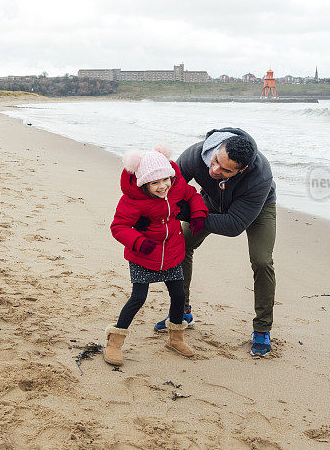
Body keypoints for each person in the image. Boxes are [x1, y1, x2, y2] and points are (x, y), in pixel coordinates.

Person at [152, 129, 277, 358]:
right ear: (216, 149)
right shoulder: (196, 154)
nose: (215, 170)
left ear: (242, 170)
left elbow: (234, 225)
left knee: (261, 260)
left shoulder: (260, 176)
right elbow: (170, 189)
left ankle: (262, 329)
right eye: (216, 161)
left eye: (226, 170)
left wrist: (186, 214)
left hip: (256, 209)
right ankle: (182, 312)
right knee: (181, 243)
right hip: (210, 201)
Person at [104, 146, 209, 366]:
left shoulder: (177, 187)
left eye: (165, 180)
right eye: (155, 183)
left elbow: (192, 196)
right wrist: (139, 242)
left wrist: (199, 213)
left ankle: (175, 337)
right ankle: (115, 342)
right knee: (138, 298)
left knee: (179, 296)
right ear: (144, 183)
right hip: (143, 254)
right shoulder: (132, 200)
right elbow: (118, 226)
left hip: (172, 252)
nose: (162, 186)